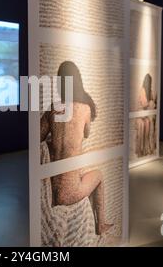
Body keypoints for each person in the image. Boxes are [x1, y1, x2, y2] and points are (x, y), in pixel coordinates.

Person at [40, 61, 113, 235]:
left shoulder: (52, 109)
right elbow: (86, 133)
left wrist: (55, 140)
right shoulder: (85, 109)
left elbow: (38, 136)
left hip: (54, 192)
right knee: (99, 176)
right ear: (78, 81)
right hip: (70, 192)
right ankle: (101, 224)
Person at [135, 74, 156, 157]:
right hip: (140, 114)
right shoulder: (142, 90)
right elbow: (144, 104)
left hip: (146, 114)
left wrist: (151, 102)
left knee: (148, 123)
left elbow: (152, 101)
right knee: (143, 125)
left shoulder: (149, 91)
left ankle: (146, 148)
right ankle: (140, 149)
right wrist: (150, 102)